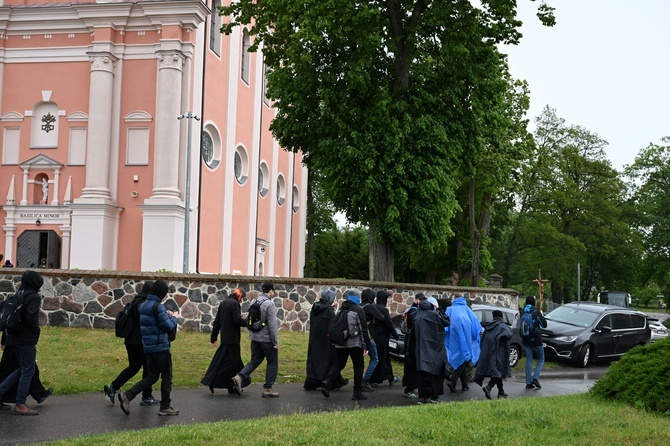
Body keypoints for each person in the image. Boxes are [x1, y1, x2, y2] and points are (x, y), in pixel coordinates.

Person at [118, 280, 179, 416]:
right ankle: (165, 406)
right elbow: (167, 326)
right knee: (167, 377)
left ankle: (128, 395)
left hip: (148, 348)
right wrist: (174, 318)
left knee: (151, 377)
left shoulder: (144, 305)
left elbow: (153, 322)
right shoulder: (158, 307)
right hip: (161, 347)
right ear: (161, 293)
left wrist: (165, 315)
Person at [103, 281, 158, 406]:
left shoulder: (134, 301)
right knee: (149, 369)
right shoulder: (144, 304)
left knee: (134, 367)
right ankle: (147, 397)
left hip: (130, 341)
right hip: (141, 341)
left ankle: (113, 387)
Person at [0, 270, 44, 415]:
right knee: (27, 371)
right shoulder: (33, 297)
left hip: (13, 338)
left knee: (23, 369)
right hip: (25, 339)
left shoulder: (17, 295)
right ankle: (20, 404)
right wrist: (36, 331)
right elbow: (31, 317)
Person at [321, 290, 371, 400]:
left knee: (339, 364)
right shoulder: (358, 310)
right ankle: (357, 392)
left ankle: (327, 381)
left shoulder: (341, 309)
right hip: (354, 344)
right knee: (358, 366)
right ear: (357, 299)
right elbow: (363, 329)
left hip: (340, 343)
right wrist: (366, 345)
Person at [232, 282, 280, 398]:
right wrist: (275, 342)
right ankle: (268, 388)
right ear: (270, 291)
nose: (273, 293)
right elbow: (272, 325)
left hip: (255, 338)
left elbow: (250, 319)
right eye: (272, 291)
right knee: (272, 363)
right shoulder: (269, 304)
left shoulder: (254, 301)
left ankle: (240, 377)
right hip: (267, 340)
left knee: (255, 360)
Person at [201, 288, 247, 394]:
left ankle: (231, 386)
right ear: (239, 295)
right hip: (233, 339)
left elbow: (217, 322)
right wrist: (248, 322)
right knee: (230, 364)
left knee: (228, 363)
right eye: (242, 298)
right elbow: (237, 321)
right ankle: (214, 381)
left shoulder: (223, 303)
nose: (241, 300)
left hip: (225, 338)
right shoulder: (235, 304)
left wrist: (213, 338)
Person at [303, 289, 347, 391]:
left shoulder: (315, 307)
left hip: (315, 338)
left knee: (315, 359)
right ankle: (330, 381)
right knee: (329, 360)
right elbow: (334, 324)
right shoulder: (329, 311)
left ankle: (312, 381)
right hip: (326, 340)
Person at [413, 296, 450, 404]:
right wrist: (438, 309)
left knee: (423, 373)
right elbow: (447, 321)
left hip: (421, 348)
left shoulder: (416, 315)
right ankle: (434, 395)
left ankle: (423, 397)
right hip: (435, 348)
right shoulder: (435, 314)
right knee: (436, 373)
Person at [445, 294, 482, 393]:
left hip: (453, 340)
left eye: (452, 299)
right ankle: (458, 383)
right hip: (466, 339)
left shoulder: (450, 310)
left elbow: (445, 324)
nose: (451, 301)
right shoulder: (466, 309)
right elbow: (475, 323)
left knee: (461, 360)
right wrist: (477, 336)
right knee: (463, 360)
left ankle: (457, 383)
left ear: (455, 299)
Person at [473, 309, 513, 399]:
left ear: (493, 317)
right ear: (501, 317)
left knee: (497, 372)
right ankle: (489, 387)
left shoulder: (488, 328)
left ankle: (501, 391)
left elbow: (482, 342)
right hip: (499, 354)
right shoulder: (502, 327)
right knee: (498, 372)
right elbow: (509, 334)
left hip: (488, 354)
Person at [370, 290, 400, 387]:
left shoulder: (373, 308)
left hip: (376, 336)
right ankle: (374, 379)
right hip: (382, 337)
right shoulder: (383, 310)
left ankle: (390, 378)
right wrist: (395, 335)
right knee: (381, 357)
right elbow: (389, 324)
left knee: (385, 357)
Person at [401, 293, 424, 399]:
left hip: (410, 341)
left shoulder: (410, 310)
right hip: (412, 342)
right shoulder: (414, 311)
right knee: (413, 367)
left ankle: (411, 388)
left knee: (411, 366)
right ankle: (410, 389)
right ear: (415, 300)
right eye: (420, 299)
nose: (421, 301)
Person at [522, 295, 547, 390]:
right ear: (533, 302)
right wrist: (542, 315)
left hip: (526, 340)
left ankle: (528, 382)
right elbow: (544, 325)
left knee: (529, 360)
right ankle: (535, 378)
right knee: (541, 358)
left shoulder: (523, 312)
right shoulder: (536, 312)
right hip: (536, 340)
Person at [360, 289, 382, 391]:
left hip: (357, 337)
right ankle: (365, 380)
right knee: (375, 358)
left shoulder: (358, 306)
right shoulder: (369, 307)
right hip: (368, 336)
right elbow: (381, 317)